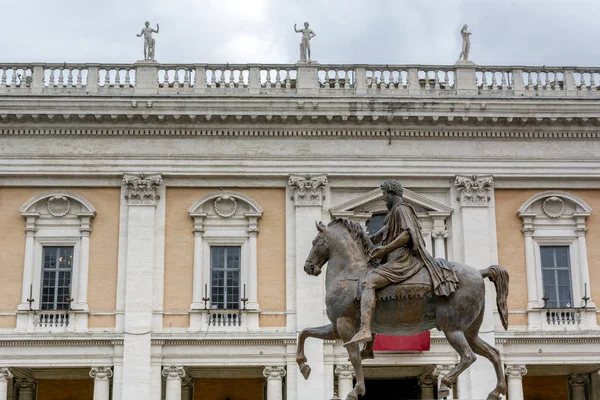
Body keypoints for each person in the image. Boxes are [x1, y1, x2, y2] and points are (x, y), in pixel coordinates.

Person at [344, 180, 459, 347]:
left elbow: (407, 235)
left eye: (385, 195)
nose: (384, 198)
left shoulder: (401, 209)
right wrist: (361, 241)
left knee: (368, 283)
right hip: (391, 259)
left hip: (401, 260)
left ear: (392, 194)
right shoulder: (392, 215)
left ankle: (365, 329)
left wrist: (384, 250)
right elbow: (380, 235)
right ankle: (369, 346)